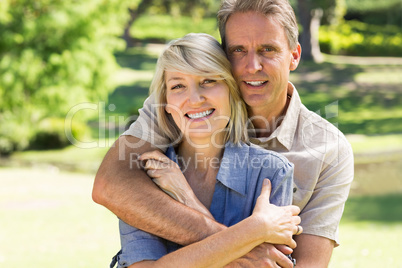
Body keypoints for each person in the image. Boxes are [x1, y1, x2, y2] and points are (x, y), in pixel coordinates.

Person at [93, 0, 354, 267]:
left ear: (294, 55)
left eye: (268, 49)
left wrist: (188, 202)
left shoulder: (328, 149)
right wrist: (249, 243)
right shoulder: (180, 107)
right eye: (238, 50)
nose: (252, 65)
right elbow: (110, 185)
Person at [110, 33, 301, 268]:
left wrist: (185, 196)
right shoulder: (147, 175)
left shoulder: (271, 173)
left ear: (231, 90)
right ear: (166, 103)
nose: (194, 99)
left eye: (208, 81)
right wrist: (255, 229)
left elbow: (267, 265)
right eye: (178, 86)